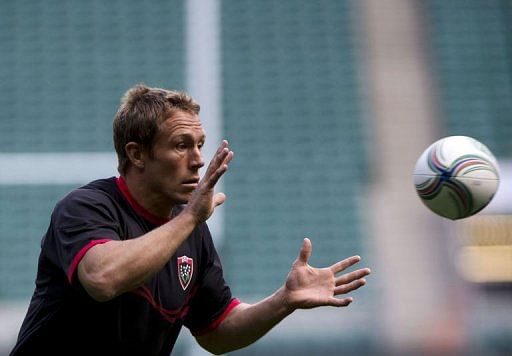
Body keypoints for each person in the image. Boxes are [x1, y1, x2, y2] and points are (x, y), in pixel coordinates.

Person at [10, 84, 371, 355]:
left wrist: (284, 300)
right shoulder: (86, 206)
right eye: (182, 145)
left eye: (200, 144)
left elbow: (216, 330)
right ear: (137, 154)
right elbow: (102, 278)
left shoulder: (193, 232)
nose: (198, 159)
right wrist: (190, 220)